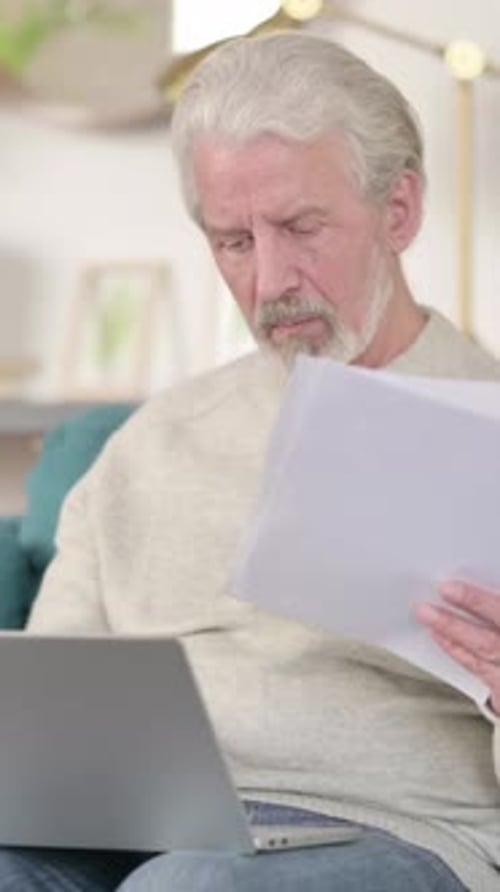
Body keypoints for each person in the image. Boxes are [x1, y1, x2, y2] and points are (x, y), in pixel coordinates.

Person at [4, 31, 500, 892]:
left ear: (400, 210)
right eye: (234, 242)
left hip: (393, 830)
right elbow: (43, 728)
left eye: (301, 227)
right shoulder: (151, 442)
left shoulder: (484, 435)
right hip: (137, 827)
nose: (272, 281)